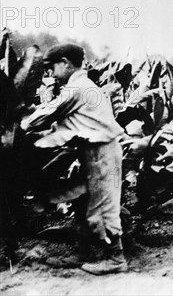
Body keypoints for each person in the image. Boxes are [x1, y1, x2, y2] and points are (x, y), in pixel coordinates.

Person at [20, 44, 127, 275]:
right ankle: (84, 253)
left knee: (103, 205)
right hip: (95, 151)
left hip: (102, 153)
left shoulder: (77, 88)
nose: (49, 74)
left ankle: (116, 259)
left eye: (52, 68)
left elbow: (45, 115)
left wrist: (20, 121)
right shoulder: (85, 86)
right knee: (84, 202)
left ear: (67, 63)